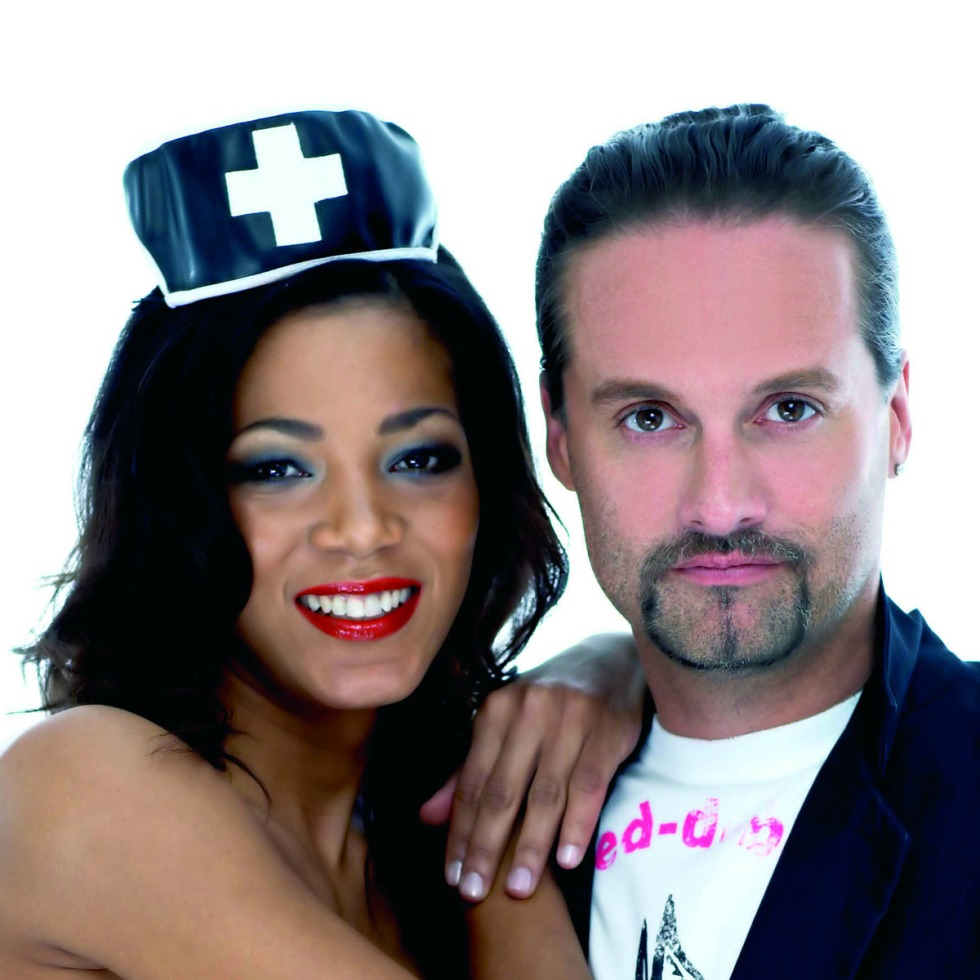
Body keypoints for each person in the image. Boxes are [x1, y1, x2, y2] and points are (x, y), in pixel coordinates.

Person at [0, 109, 595, 978]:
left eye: (418, 458)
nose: (362, 528)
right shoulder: (86, 784)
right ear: (181, 502)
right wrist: (506, 846)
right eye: (277, 469)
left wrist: (606, 673)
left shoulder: (409, 840)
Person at [501, 103, 977, 977]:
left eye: (789, 409)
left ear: (898, 416)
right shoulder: (458, 818)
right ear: (559, 437)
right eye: (650, 418)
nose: (720, 506)